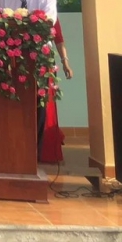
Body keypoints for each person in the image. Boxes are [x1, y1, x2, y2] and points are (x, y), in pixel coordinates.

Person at [0, 0, 71, 157]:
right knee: (12, 103)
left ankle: (35, 151)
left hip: (40, 58)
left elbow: (46, 24)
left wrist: (64, 60)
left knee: (40, 105)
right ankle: (14, 149)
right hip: (12, 58)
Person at [40, 19, 74, 163]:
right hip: (21, 62)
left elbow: (58, 38)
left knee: (45, 105)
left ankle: (45, 150)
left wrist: (65, 63)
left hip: (43, 62)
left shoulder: (49, 12)